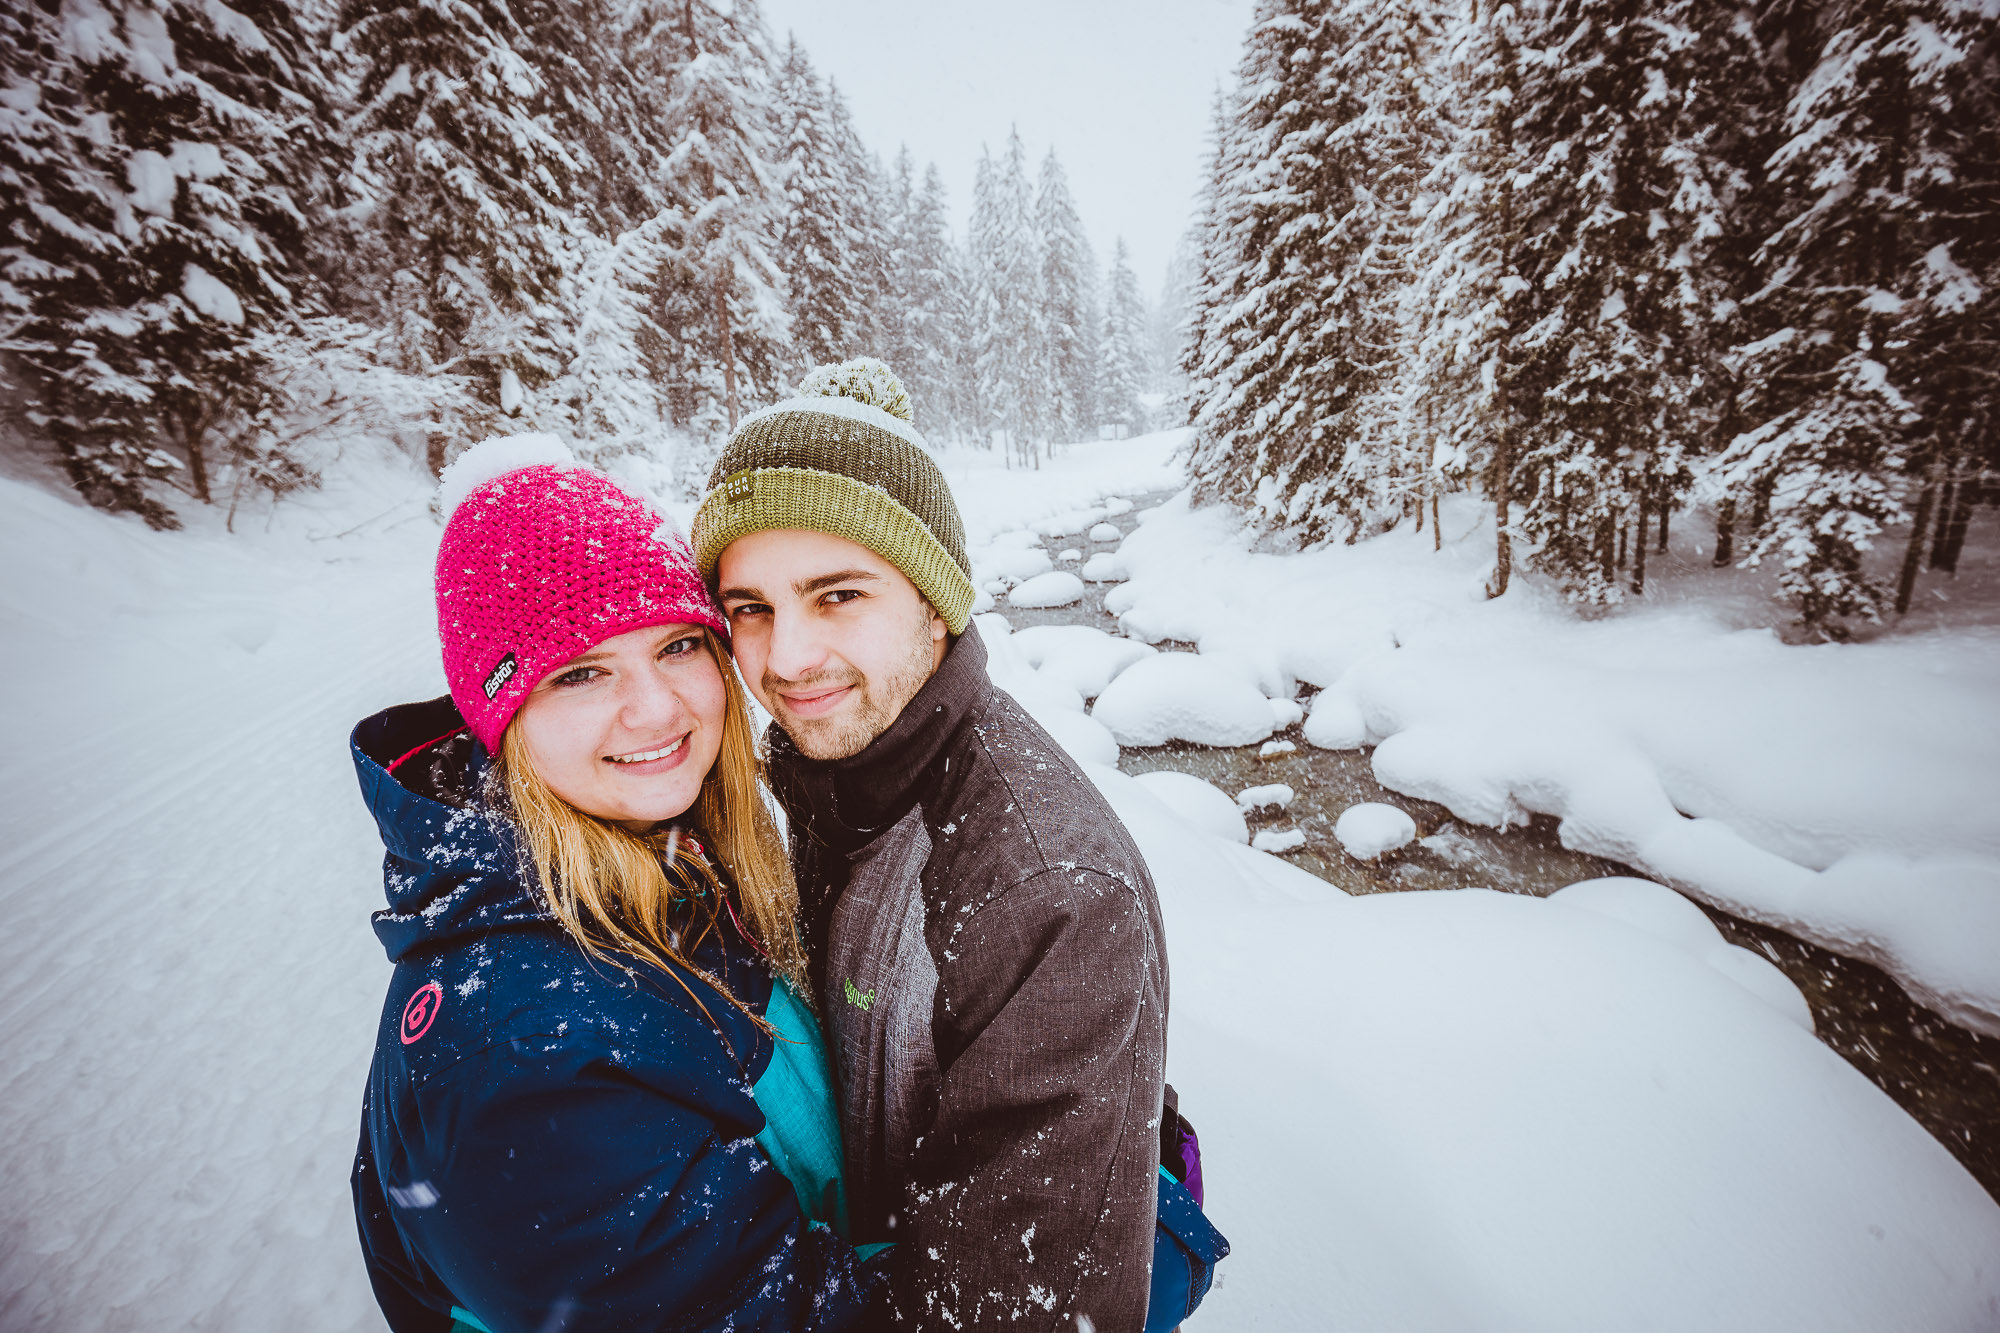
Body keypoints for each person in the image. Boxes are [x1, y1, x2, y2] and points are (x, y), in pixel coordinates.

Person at [691, 360, 1221, 1331]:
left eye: (837, 594)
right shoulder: (832, 765)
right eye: (750, 608)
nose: (785, 656)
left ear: (933, 600)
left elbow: (1016, 1311)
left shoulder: (1050, 891)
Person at [348, 437, 882, 1333]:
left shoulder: (669, 859)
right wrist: (1092, 1247)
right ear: (502, 715)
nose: (659, 708)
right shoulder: (523, 1061)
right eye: (582, 671)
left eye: (678, 646)